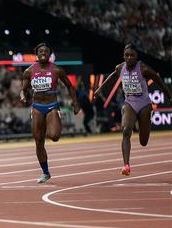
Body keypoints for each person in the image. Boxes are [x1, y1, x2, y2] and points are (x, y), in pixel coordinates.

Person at [94, 43, 171, 175]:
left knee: (143, 141)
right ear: (123, 56)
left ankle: (147, 123)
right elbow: (112, 76)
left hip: (145, 104)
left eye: (132, 55)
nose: (129, 58)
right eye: (127, 55)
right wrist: (100, 88)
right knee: (126, 131)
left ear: (136, 57)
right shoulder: (120, 68)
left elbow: (158, 80)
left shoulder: (143, 68)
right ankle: (126, 165)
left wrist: (169, 97)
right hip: (130, 102)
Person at [20, 43, 80, 183]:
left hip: (52, 105)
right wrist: (23, 96)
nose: (43, 53)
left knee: (54, 136)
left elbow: (70, 87)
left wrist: (75, 103)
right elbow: (24, 89)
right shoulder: (29, 71)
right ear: (36, 54)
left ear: (50, 54)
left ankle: (53, 123)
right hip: (37, 107)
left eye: (46, 51)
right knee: (38, 141)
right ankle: (45, 172)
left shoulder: (57, 70)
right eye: (40, 51)